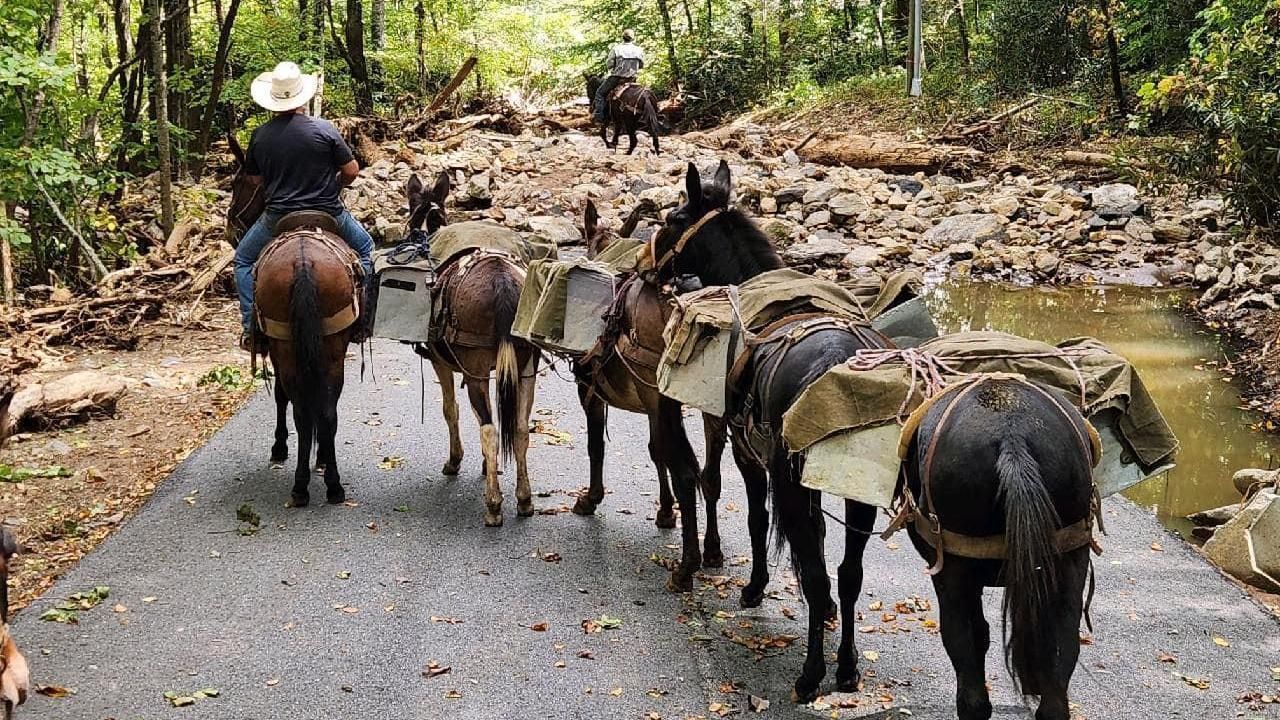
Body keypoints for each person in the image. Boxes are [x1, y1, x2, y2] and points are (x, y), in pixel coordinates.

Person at [233, 61, 373, 351]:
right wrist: (335, 187)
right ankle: (364, 319)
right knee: (367, 250)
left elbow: (255, 180)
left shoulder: (260, 135)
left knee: (244, 261)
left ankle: (251, 327)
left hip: (278, 217)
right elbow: (351, 170)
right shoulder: (325, 129)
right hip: (328, 212)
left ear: (273, 100)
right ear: (302, 98)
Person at [593, 30, 645, 124]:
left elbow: (609, 64)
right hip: (632, 79)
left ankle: (599, 117)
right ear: (633, 38)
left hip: (617, 78)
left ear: (623, 37)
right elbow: (641, 65)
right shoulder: (639, 50)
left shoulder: (616, 49)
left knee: (599, 94)